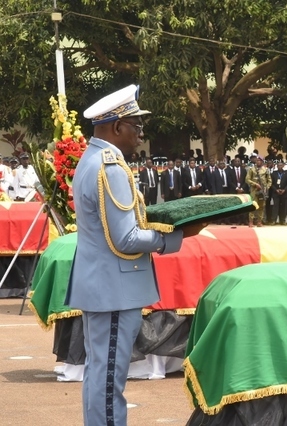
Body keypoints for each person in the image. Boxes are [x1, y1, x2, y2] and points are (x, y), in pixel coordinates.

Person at [64, 84, 205, 425]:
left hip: (105, 285)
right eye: (136, 126)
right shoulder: (110, 166)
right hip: (114, 289)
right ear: (116, 127)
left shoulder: (94, 158)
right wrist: (176, 236)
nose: (141, 134)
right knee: (109, 377)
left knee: (100, 373)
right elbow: (126, 238)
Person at [246, 156, 271, 227]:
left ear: (262, 162)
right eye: (257, 160)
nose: (258, 162)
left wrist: (266, 188)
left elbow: (269, 180)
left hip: (262, 191)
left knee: (262, 206)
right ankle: (251, 221)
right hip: (254, 190)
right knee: (253, 206)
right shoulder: (252, 169)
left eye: (260, 160)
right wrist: (255, 184)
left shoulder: (265, 170)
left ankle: (259, 222)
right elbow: (247, 179)